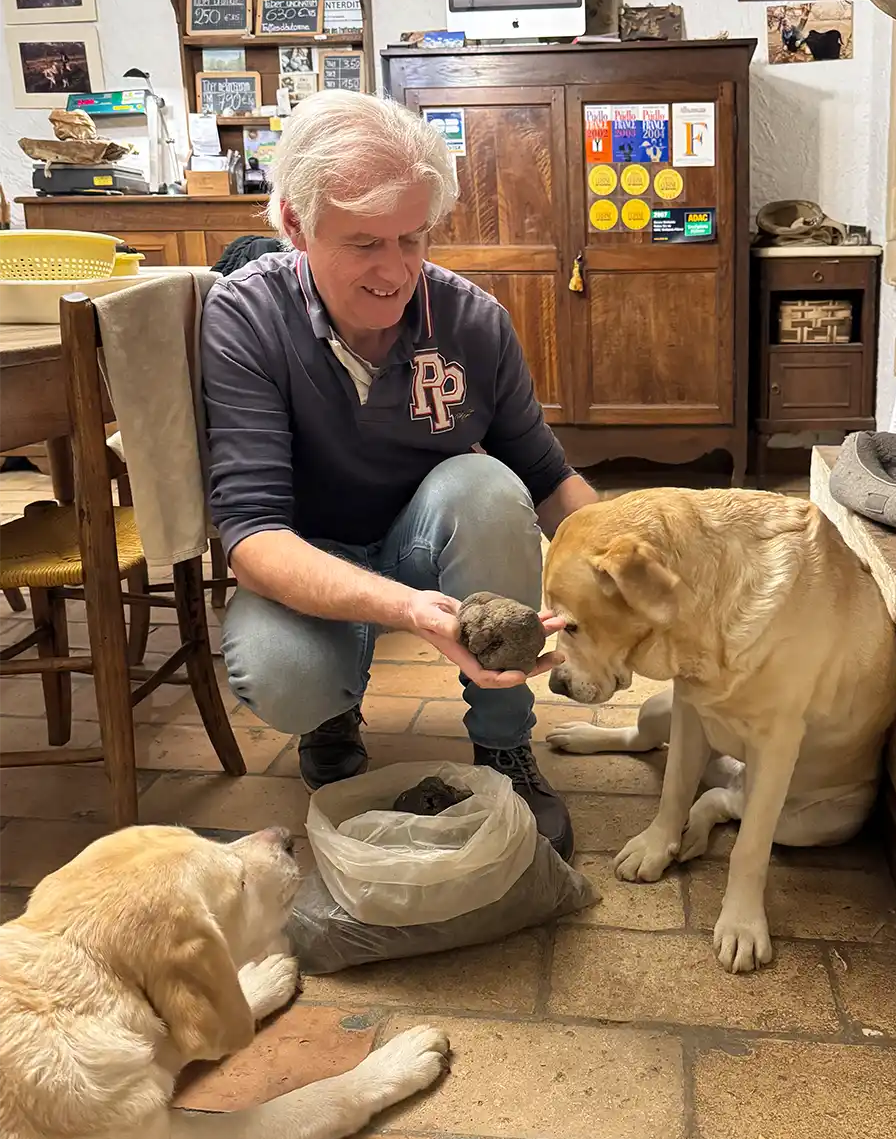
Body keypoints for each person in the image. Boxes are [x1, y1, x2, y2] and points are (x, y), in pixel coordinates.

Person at [201, 89, 599, 859]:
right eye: (363, 243)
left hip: (421, 543)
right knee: (280, 674)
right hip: (309, 557)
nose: (396, 271)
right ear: (295, 225)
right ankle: (329, 717)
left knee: (489, 489)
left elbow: (549, 479)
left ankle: (504, 743)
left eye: (412, 238)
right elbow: (252, 537)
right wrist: (409, 611)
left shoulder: (472, 320)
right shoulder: (246, 317)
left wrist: (633, 566)